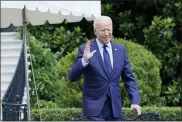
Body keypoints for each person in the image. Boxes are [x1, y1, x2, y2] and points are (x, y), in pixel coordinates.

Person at [68, 16, 141, 121]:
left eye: (109, 30)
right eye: (103, 30)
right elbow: (72, 77)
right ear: (95, 31)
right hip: (94, 108)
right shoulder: (86, 49)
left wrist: (135, 101)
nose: (106, 33)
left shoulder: (120, 50)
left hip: (115, 109)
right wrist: (84, 61)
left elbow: (129, 78)